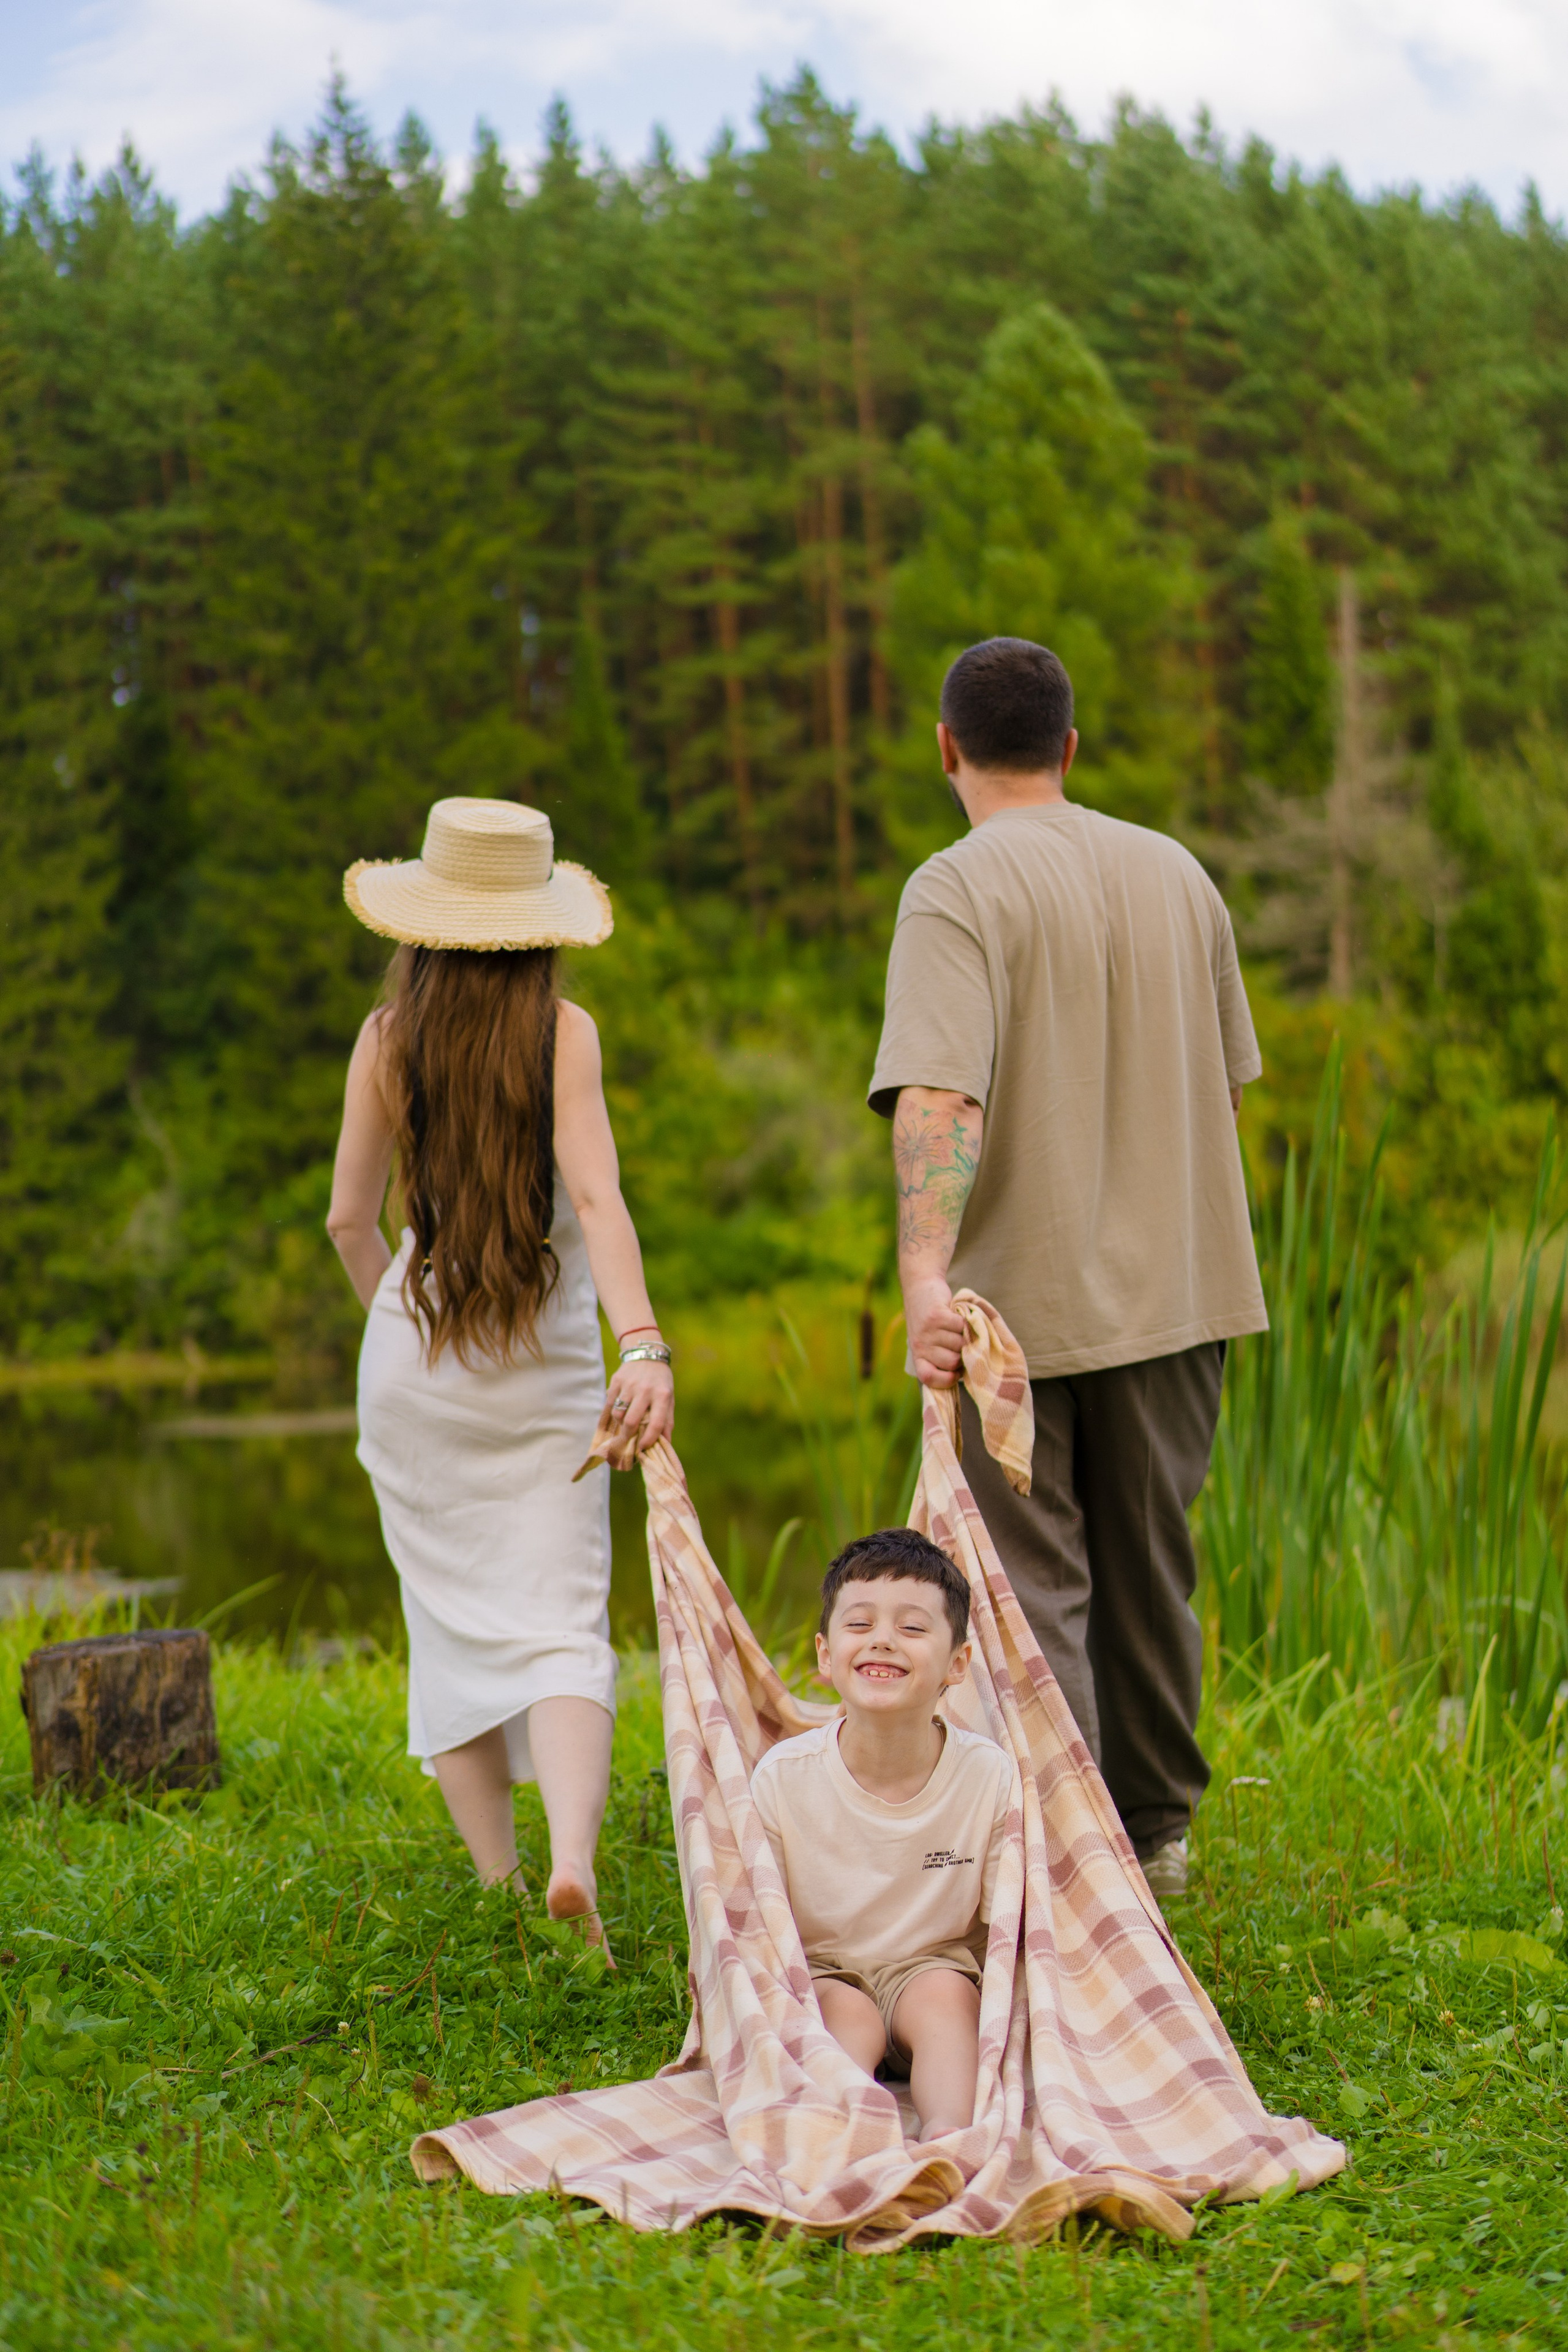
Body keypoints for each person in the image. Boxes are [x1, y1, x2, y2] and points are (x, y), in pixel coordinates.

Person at [867, 638, 1267, 1902]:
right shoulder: (1179, 875)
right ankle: (1156, 1841)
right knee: (1152, 1576)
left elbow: (939, 1094)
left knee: (1034, 1589)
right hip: (1183, 1299)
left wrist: (924, 1281)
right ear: (1069, 748)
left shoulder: (952, 888)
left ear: (947, 748)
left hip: (1020, 1311)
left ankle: (1075, 1864)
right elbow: (1226, 1094)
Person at [327, 796, 674, 1959]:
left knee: (448, 1631)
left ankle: (502, 1887)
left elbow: (347, 1223)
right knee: (565, 1624)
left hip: (413, 1371)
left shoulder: (385, 1041)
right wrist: (643, 1344)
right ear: (538, 930)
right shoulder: (564, 1035)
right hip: (544, 1379)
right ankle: (574, 1862)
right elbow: (598, 1201)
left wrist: (399, 1336)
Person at [752, 1528, 1014, 2141]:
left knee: (948, 2003)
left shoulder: (987, 1776)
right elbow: (760, 1923)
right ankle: (850, 2137)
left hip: (933, 1965)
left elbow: (1012, 1918)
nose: (883, 1640)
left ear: (957, 1664)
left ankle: (948, 2140)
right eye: (860, 1624)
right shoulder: (784, 1777)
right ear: (825, 1654)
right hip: (826, 1971)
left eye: (913, 1628)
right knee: (844, 2021)